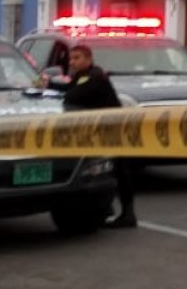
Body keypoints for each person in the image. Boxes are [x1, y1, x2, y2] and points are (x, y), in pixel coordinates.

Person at [37, 41, 136, 228]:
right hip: (100, 130)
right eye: (71, 58)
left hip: (115, 129)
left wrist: (53, 90)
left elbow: (74, 95)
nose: (72, 62)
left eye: (77, 58)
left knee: (119, 171)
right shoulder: (82, 76)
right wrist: (48, 84)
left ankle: (127, 214)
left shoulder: (96, 76)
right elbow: (69, 89)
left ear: (88, 59)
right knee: (105, 169)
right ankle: (107, 209)